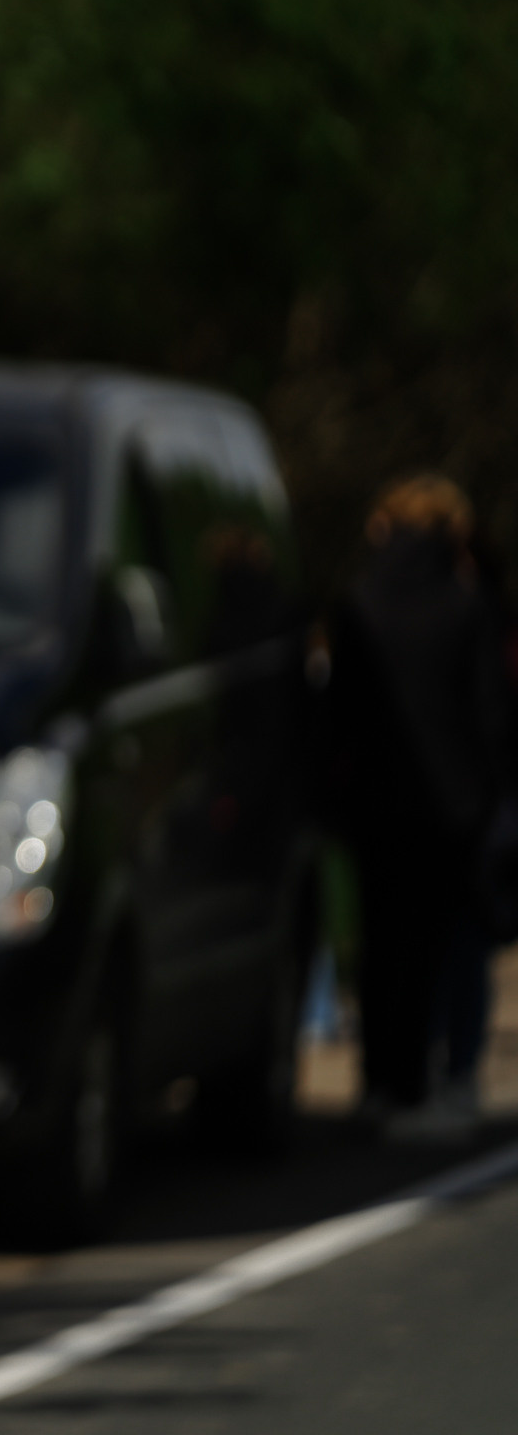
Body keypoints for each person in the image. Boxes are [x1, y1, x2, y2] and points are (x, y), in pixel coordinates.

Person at [326, 473, 509, 1145]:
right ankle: (437, 1081)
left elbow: (339, 714)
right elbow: (489, 711)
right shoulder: (466, 605)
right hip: (450, 808)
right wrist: (492, 794)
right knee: (442, 947)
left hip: (374, 807)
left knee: (381, 947)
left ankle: (382, 1081)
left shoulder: (359, 604)